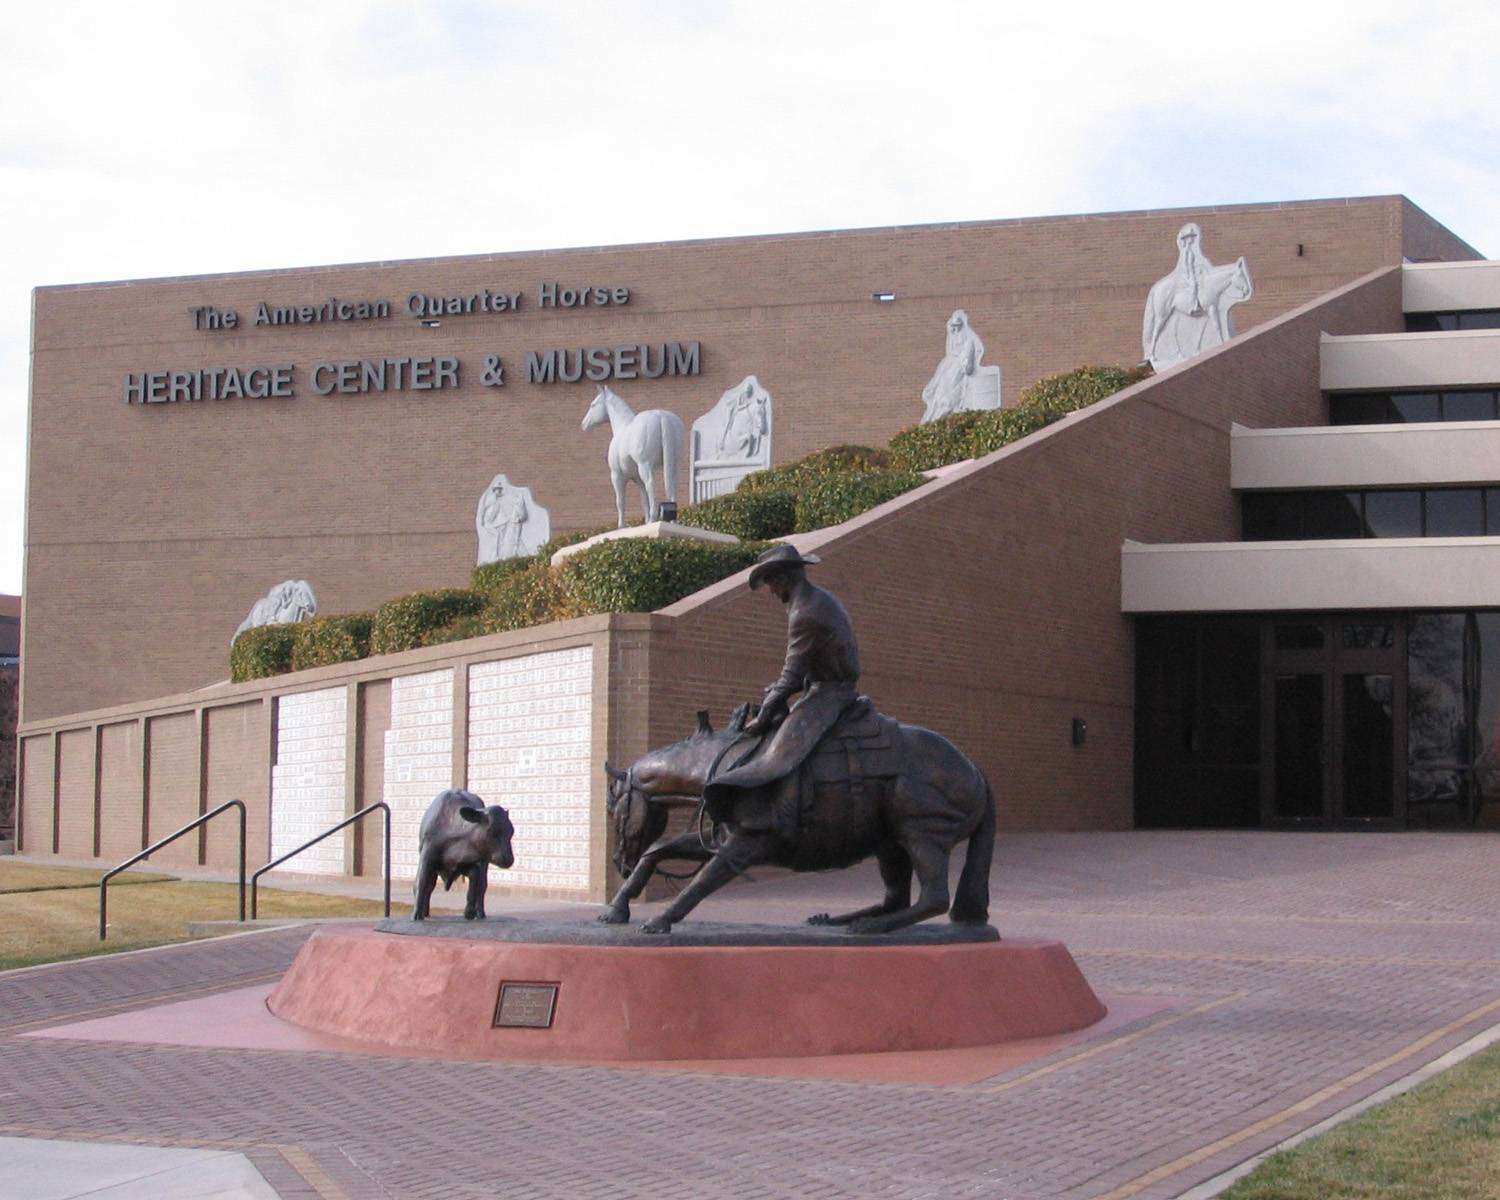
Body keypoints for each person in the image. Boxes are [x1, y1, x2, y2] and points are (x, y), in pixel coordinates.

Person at [703, 544, 861, 843]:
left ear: (786, 578)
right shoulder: (814, 600)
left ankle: (784, 817)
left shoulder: (806, 611)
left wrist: (762, 717)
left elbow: (791, 676)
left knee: (784, 749)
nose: (772, 591)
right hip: (820, 686)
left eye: (772, 582)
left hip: (831, 692)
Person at [1141, 223, 1254, 370]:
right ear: (1184, 240)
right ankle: (1193, 305)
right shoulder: (1186, 253)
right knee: (1193, 287)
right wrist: (1192, 277)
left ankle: (1219, 341)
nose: (1191, 241)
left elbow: (1207, 269)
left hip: (1199, 278)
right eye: (1188, 238)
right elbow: (1184, 270)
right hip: (1187, 281)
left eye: (1193, 237)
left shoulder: (1200, 256)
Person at [920, 309, 985, 423]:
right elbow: (950, 351)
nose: (954, 329)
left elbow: (970, 363)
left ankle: (945, 411)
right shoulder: (952, 339)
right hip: (950, 366)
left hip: (960, 369)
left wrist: (965, 364)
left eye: (957, 326)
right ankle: (935, 414)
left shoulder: (969, 340)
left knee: (949, 395)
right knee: (940, 390)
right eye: (953, 326)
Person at [475, 473, 530, 565]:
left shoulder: (499, 500)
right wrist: (485, 522)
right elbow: (488, 513)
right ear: (494, 490)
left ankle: (502, 556)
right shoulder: (491, 500)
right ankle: (496, 557)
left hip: (503, 523)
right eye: (497, 490)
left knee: (507, 540)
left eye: (500, 490)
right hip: (495, 525)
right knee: (498, 540)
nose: (499, 492)